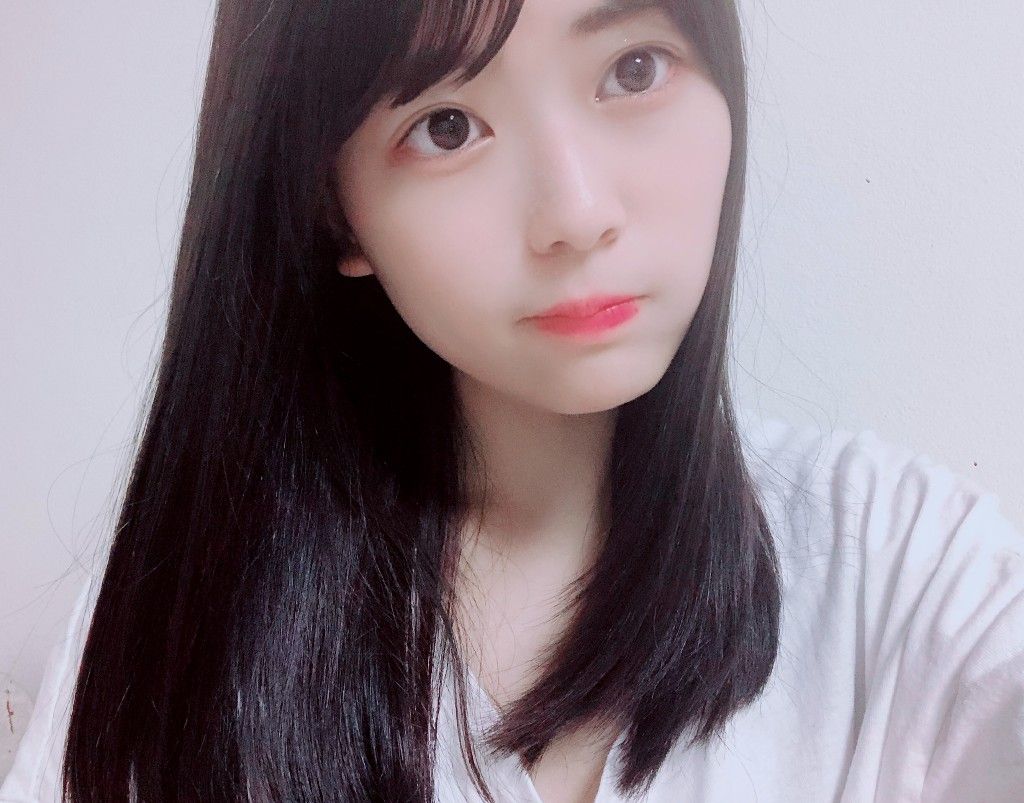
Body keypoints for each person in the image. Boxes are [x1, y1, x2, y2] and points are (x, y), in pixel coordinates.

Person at [3, 0, 1022, 801]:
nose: (575, 212)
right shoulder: (182, 618)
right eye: (446, 126)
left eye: (633, 69)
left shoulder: (902, 567)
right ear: (335, 212)